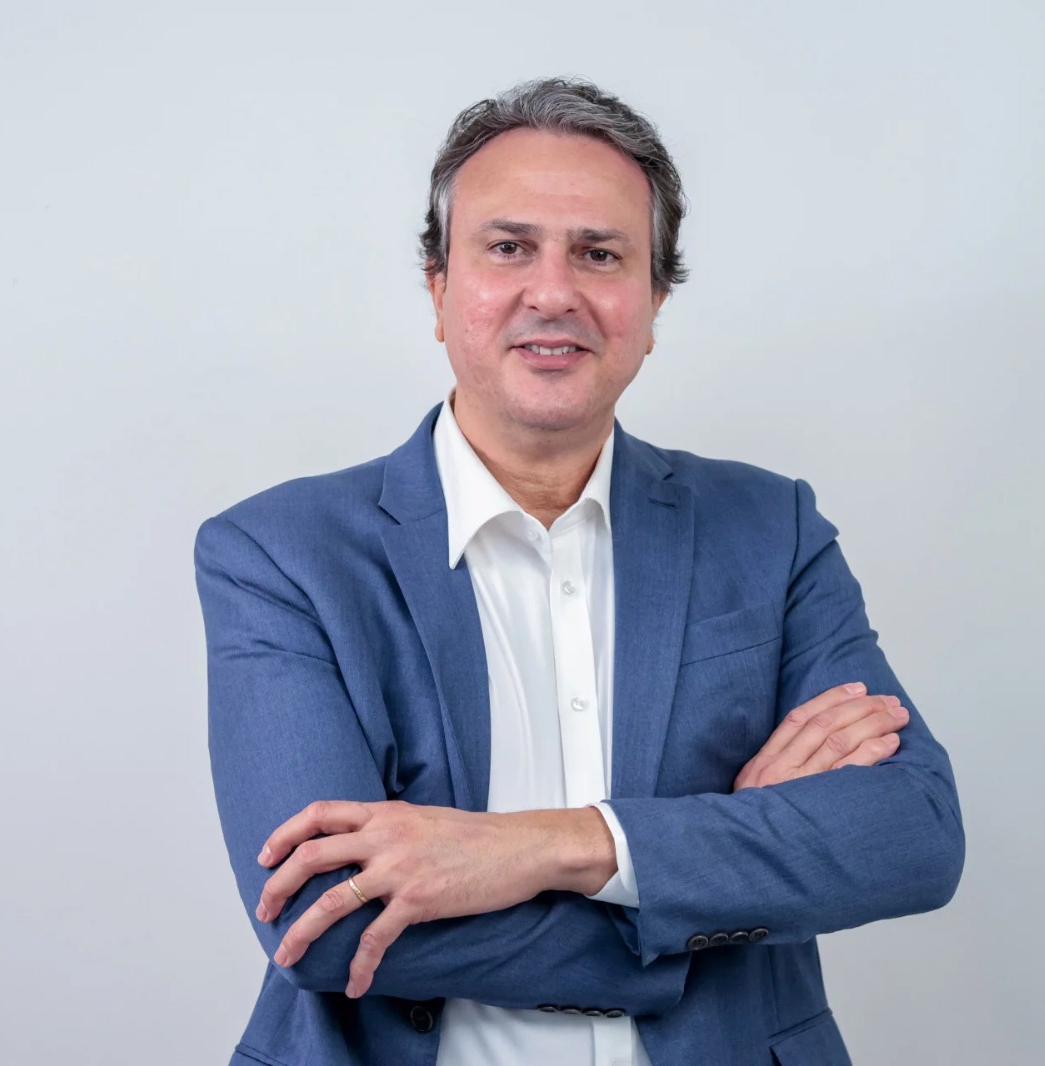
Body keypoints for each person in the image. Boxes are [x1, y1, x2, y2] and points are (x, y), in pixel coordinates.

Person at [194, 77, 964, 1066]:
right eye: (509, 247)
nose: (553, 292)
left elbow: (910, 834)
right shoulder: (281, 553)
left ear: (654, 301)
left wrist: (545, 845)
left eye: (599, 254)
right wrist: (716, 868)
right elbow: (328, 922)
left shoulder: (769, 529)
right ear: (438, 288)